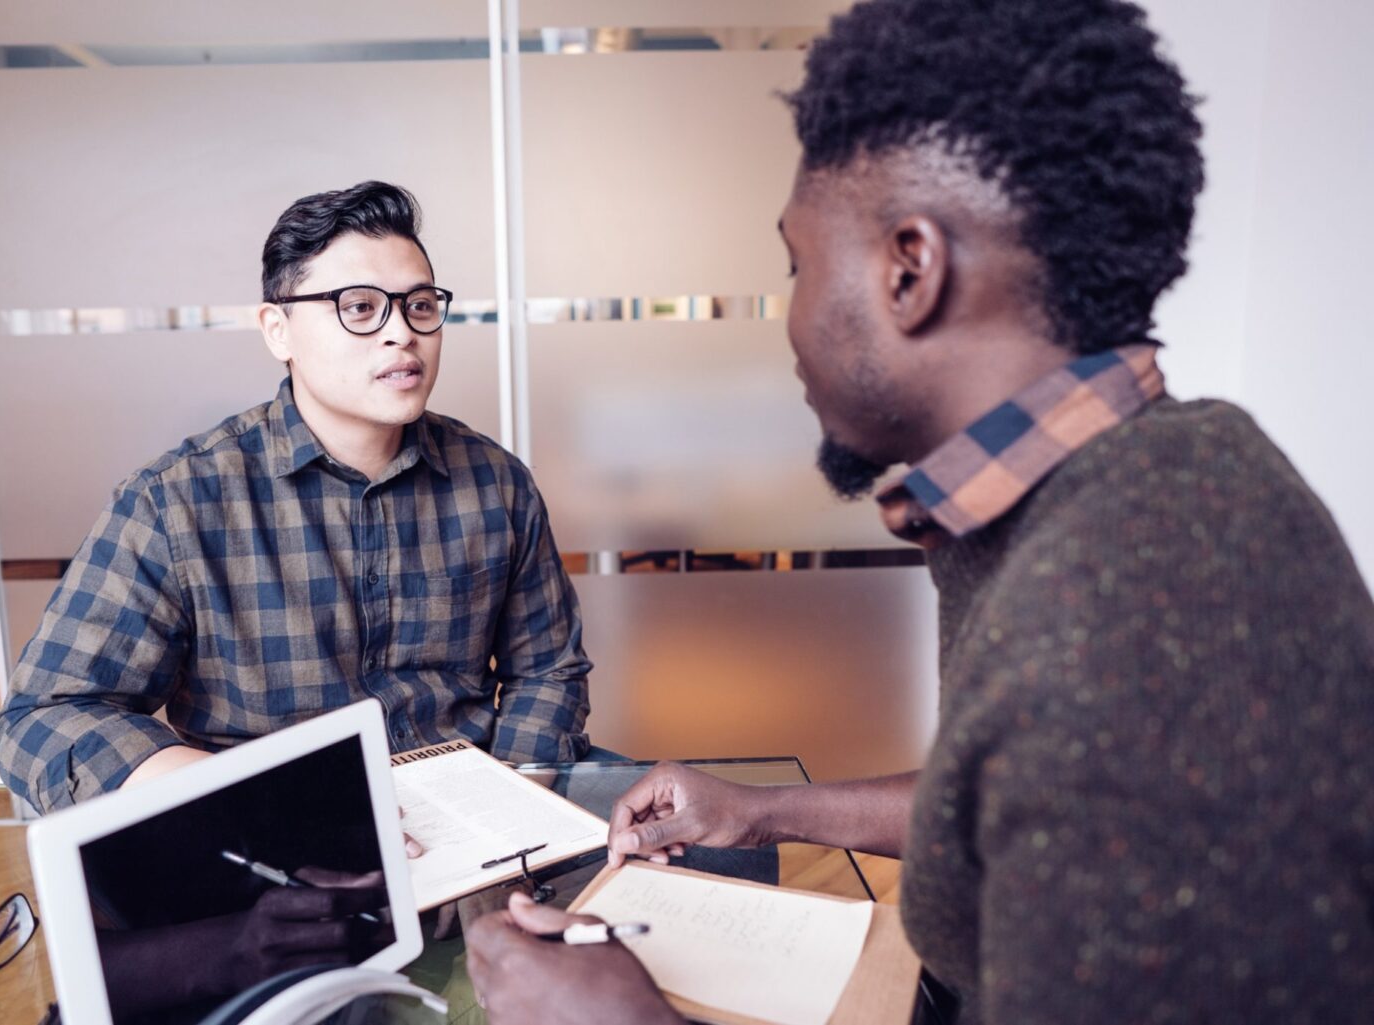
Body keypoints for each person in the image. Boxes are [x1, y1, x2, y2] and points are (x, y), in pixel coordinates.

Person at [466, 0, 1374, 1021]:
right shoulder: (1130, 484)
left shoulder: (1140, 604)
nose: (793, 324)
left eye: (797, 266)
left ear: (910, 267)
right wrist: (764, 810)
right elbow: (1009, 791)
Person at [0, 182, 592, 815]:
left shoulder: (496, 482)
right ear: (278, 330)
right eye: (360, 308)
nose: (402, 333)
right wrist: (268, 804)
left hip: (474, 813)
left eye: (419, 304)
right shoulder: (179, 501)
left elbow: (548, 672)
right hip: (284, 842)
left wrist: (509, 812)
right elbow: (44, 717)